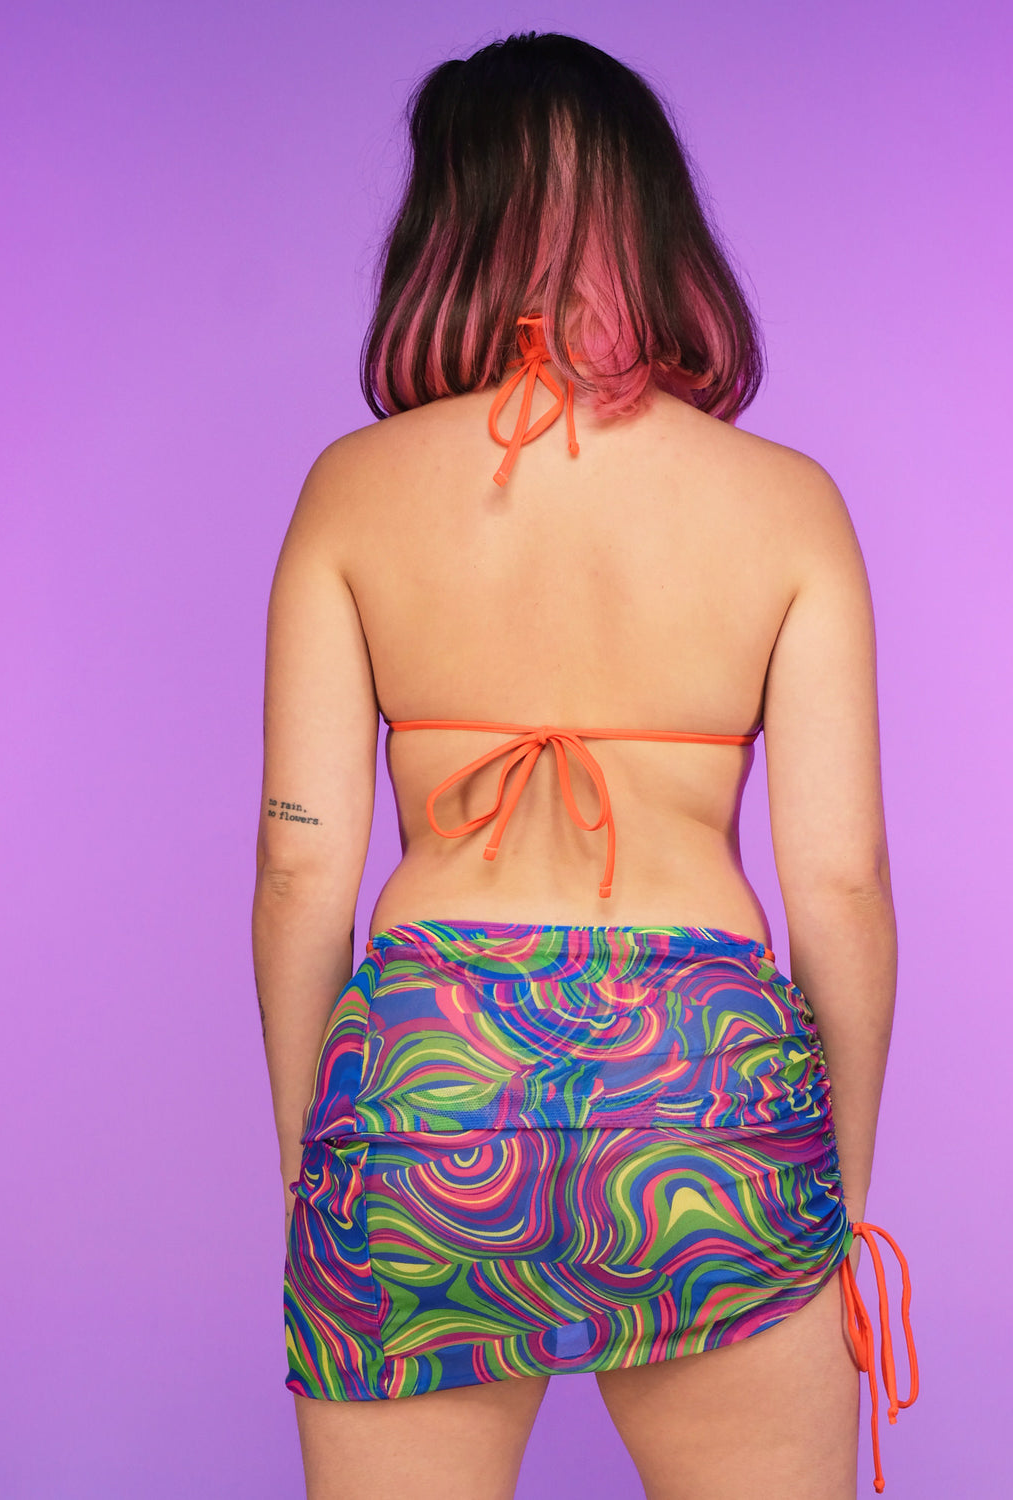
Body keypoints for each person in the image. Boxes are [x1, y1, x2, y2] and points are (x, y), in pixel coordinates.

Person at [253, 30, 917, 1500]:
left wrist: (321, 1162)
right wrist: (837, 1181)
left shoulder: (351, 492)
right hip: (709, 1104)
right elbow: (842, 883)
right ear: (660, 217)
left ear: (445, 216)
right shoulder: (786, 504)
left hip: (425, 1092)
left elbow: (301, 863)